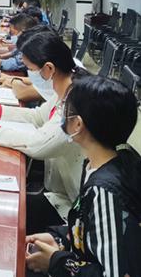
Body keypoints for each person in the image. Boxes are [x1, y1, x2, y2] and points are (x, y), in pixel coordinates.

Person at [0, 27, 87, 231]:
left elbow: (40, 145)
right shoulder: (66, 89)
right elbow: (38, 116)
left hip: (73, 209)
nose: (29, 76)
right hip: (58, 189)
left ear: (48, 69)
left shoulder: (76, 101)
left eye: (31, 69)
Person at [25, 76, 141, 277]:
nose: (62, 115)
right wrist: (61, 239)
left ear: (78, 124)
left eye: (66, 110)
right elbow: (92, 230)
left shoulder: (104, 190)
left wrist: (55, 262)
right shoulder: (101, 162)